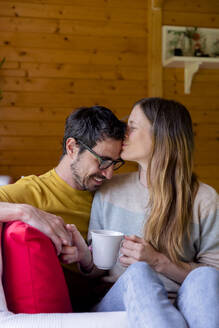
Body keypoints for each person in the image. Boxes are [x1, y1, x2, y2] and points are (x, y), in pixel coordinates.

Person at [71, 98, 219, 327]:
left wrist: (159, 261)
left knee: (207, 276)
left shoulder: (204, 199)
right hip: (120, 296)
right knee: (139, 273)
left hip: (182, 298)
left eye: (132, 125)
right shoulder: (110, 189)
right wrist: (86, 261)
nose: (123, 132)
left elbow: (214, 278)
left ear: (161, 135)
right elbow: (98, 270)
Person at [0, 105, 126, 311]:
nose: (109, 174)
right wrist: (25, 212)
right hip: (72, 307)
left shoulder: (112, 193)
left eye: (115, 163)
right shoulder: (34, 191)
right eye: (102, 161)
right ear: (72, 148)